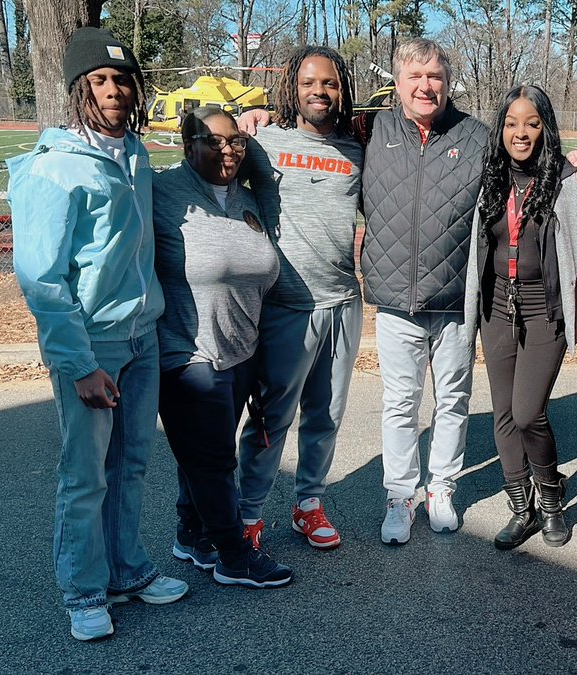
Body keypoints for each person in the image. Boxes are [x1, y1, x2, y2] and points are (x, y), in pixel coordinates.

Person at [8, 27, 187, 642]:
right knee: (86, 475)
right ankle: (83, 589)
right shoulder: (54, 167)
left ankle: (125, 570)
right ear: (78, 89)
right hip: (94, 346)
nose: (114, 90)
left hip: (143, 338)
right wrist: (79, 363)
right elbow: (41, 277)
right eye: (100, 80)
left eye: (123, 79)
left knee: (131, 465)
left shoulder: (134, 154)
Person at [152, 106, 293, 589]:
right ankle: (234, 556)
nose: (227, 150)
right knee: (214, 460)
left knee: (203, 452)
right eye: (213, 141)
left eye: (235, 141)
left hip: (241, 350)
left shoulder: (246, 198)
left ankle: (191, 533)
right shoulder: (161, 193)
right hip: (187, 352)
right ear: (187, 145)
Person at [358, 38, 489, 545]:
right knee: (400, 403)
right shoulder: (371, 129)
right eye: (415, 76)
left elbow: (529, 165)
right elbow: (311, 125)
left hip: (455, 297)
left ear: (448, 81)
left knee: (453, 399)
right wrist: (259, 117)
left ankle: (442, 488)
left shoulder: (475, 136)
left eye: (434, 75)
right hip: (395, 298)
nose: (425, 85)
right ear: (397, 81)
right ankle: (400, 496)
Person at [235, 46, 364, 551]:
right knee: (272, 417)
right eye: (309, 82)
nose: (319, 91)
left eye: (329, 83)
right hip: (285, 304)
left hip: (343, 300)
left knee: (326, 415)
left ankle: (308, 504)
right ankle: (247, 512)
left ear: (342, 89)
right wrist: (246, 118)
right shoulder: (261, 141)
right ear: (292, 86)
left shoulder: (356, 147)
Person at [463, 85, 577, 549]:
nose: (521, 132)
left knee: (527, 412)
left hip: (544, 309)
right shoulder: (490, 178)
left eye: (532, 123)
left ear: (545, 129)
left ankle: (552, 500)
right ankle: (523, 509)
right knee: (503, 413)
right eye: (512, 123)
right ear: (500, 129)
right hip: (497, 306)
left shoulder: (566, 181)